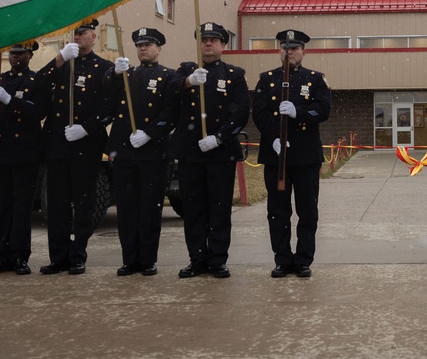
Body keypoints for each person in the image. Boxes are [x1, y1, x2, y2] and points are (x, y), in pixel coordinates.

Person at [252, 29, 332, 278]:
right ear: (279, 51)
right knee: (278, 210)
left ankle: (303, 259)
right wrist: (274, 137)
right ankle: (282, 259)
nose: (290, 53)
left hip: (306, 156)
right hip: (276, 156)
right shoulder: (267, 80)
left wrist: (299, 113)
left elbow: (323, 110)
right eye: (285, 48)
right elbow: (260, 113)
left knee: (307, 210)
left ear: (303, 52)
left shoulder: (315, 79)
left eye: (295, 48)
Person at [36, 19, 114, 275]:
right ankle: (58, 256)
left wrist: (87, 128)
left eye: (83, 33)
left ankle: (78, 255)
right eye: (75, 33)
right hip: (57, 144)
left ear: (94, 37)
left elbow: (109, 108)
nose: (78, 37)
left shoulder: (104, 68)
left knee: (84, 204)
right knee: (56, 205)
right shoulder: (61, 65)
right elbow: (37, 84)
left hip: (86, 146)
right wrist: (58, 59)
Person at [101, 27, 180, 277]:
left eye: (148, 45)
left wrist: (149, 132)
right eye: (139, 45)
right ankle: (129, 260)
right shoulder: (125, 74)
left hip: (153, 153)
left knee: (149, 208)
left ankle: (147, 260)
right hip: (125, 152)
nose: (143, 49)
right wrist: (113, 73)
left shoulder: (168, 76)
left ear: (158, 48)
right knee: (127, 209)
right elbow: (106, 99)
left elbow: (171, 113)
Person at [175, 22, 250, 279]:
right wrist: (187, 82)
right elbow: (169, 94)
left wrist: (219, 138)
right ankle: (197, 259)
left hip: (220, 153)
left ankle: (218, 259)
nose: (208, 43)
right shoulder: (186, 69)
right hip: (191, 153)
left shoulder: (234, 74)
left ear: (223, 45)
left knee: (219, 209)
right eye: (204, 39)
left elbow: (241, 112)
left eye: (213, 40)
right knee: (193, 209)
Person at [0, 41, 46, 276]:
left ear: (30, 55)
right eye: (12, 54)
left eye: (20, 54)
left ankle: (19, 257)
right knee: (2, 207)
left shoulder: (36, 81)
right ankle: (0, 257)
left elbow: (38, 112)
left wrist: (10, 100)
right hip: (0, 153)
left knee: (21, 208)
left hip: (24, 154)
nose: (15, 57)